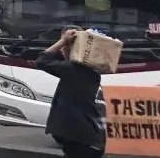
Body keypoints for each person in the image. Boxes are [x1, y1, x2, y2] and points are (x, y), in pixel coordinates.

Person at [36, 28, 107, 158]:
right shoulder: (90, 72)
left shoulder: (74, 71)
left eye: (65, 46)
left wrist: (62, 41)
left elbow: (41, 61)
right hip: (89, 141)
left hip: (82, 143)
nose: (62, 49)